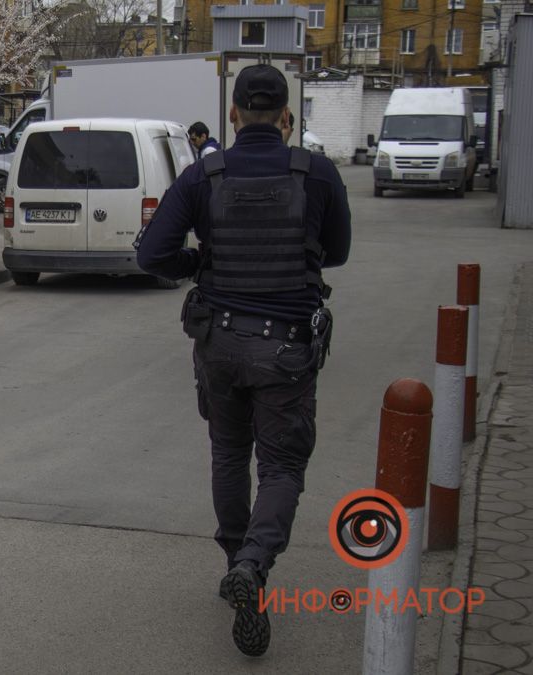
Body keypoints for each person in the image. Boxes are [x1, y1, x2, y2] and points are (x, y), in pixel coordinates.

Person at [136, 65, 351, 657]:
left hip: (221, 343)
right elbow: (338, 253)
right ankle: (254, 569)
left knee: (230, 452)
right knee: (281, 468)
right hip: (286, 347)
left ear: (232, 115)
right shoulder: (319, 173)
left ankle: (237, 561)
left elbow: (152, 254)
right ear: (286, 118)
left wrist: (199, 268)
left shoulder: (205, 174)